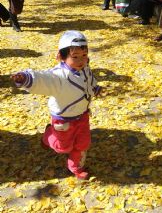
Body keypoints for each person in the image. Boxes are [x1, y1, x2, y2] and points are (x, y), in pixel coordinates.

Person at [11, 30, 103, 179]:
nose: (81, 60)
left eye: (84, 55)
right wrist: (26, 78)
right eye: (75, 57)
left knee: (83, 144)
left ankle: (76, 168)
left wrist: (95, 88)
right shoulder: (58, 76)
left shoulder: (85, 69)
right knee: (63, 147)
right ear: (61, 57)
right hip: (63, 119)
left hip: (83, 115)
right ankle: (48, 136)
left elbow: (89, 81)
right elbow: (43, 78)